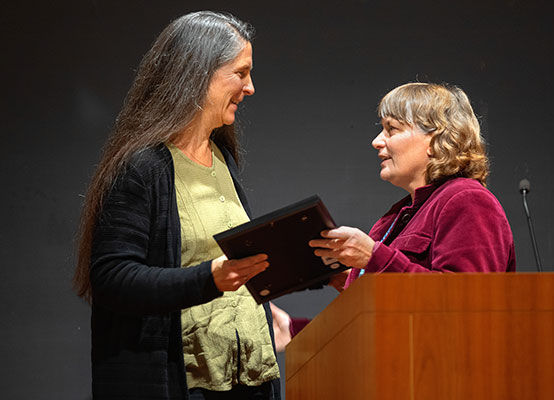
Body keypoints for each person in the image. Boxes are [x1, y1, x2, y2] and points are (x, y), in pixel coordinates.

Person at [73, 11, 281, 400]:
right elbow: (112, 278)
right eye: (240, 73)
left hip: (246, 380)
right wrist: (210, 279)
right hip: (183, 383)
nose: (250, 87)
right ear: (198, 73)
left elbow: (218, 266)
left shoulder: (221, 157)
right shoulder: (142, 167)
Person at [309, 82, 515, 288]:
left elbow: (466, 299)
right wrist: (341, 279)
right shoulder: (391, 219)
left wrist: (374, 258)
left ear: (436, 139)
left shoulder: (467, 199)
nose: (377, 141)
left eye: (392, 129)